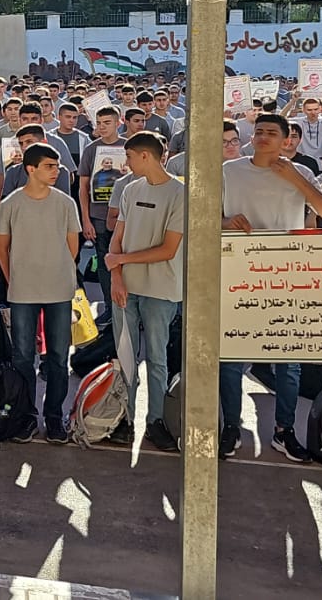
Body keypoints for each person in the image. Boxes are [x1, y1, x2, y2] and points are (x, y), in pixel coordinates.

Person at [220, 113, 322, 462]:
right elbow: (201, 214)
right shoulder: (229, 171)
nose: (263, 137)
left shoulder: (299, 172)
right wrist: (224, 221)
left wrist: (295, 179)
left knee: (288, 364)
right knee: (231, 359)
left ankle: (283, 430)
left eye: (271, 132)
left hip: (286, 278)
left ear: (286, 139)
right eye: (258, 131)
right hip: (238, 274)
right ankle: (231, 426)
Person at [104, 131, 186, 451]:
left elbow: (168, 249)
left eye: (129, 157)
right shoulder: (130, 189)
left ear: (145, 156)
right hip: (126, 287)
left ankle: (156, 421)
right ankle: (124, 419)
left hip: (161, 289)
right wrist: (116, 277)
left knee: (157, 359)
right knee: (125, 357)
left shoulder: (180, 193)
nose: (126, 163)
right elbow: (117, 238)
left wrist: (120, 261)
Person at [0, 143, 81, 444]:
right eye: (49, 166)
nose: (56, 171)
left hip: (59, 290)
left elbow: (73, 247)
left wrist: (57, 270)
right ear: (30, 169)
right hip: (23, 291)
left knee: (58, 356)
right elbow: (2, 247)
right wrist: (14, 279)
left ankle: (54, 417)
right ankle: (26, 415)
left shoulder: (65, 203)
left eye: (57, 166)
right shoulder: (10, 203)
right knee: (22, 357)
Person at [79, 106, 125, 312]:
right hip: (98, 216)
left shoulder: (127, 146)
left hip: (125, 215)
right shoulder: (91, 150)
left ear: (118, 122)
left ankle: (127, 307)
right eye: (99, 123)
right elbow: (83, 187)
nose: (103, 126)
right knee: (105, 262)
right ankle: (109, 306)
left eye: (107, 122)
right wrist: (86, 220)